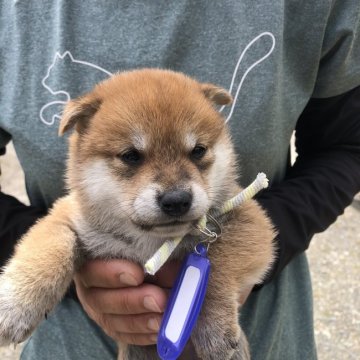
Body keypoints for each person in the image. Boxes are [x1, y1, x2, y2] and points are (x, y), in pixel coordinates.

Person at [1, 1, 359, 359]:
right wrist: (43, 284)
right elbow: (60, 231)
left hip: (268, 336)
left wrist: (215, 293)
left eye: (198, 153)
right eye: (131, 157)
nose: (176, 191)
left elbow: (343, 147)